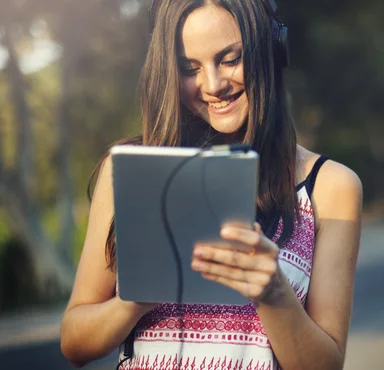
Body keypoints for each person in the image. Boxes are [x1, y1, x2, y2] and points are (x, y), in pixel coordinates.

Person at [59, 0, 363, 369]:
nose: (214, 84)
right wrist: (136, 298)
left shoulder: (330, 187)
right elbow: (74, 342)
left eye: (230, 59)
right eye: (190, 68)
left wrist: (274, 293)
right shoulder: (125, 171)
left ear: (272, 47)